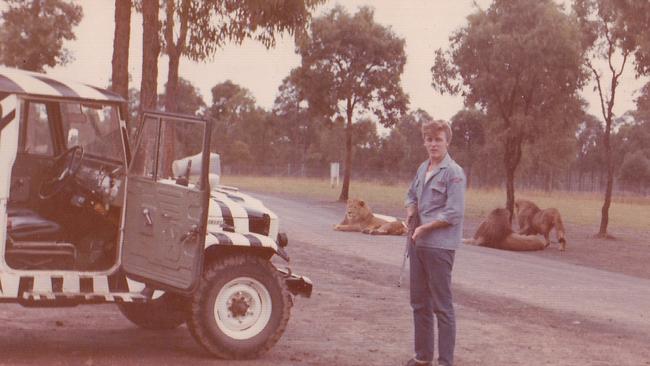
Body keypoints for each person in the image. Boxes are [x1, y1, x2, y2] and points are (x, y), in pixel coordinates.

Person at [404, 119, 466, 366]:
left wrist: (424, 227)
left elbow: (454, 213)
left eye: (438, 139)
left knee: (442, 306)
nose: (433, 144)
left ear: (447, 141)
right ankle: (423, 357)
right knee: (419, 303)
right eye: (429, 139)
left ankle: (445, 362)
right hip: (417, 244)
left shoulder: (454, 173)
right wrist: (410, 211)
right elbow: (410, 195)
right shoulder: (423, 168)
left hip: (439, 247)